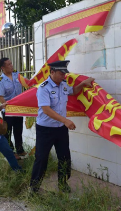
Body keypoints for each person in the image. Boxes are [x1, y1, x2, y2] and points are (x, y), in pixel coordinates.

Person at [29, 60, 95, 194]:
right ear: (52, 72)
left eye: (64, 74)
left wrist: (82, 84)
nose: (63, 76)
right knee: (41, 158)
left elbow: (73, 91)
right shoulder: (44, 88)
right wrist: (65, 120)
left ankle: (63, 184)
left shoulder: (63, 85)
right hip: (46, 129)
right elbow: (46, 109)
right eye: (60, 74)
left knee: (64, 158)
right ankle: (34, 189)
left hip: (60, 129)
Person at [0, 57, 27, 160]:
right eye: (8, 65)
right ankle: (11, 151)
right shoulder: (1, 80)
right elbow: (0, 96)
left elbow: (25, 83)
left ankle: (20, 149)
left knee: (18, 130)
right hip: (9, 110)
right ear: (3, 68)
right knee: (8, 132)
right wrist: (6, 106)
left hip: (18, 109)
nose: (11, 66)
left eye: (11, 63)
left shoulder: (16, 74)